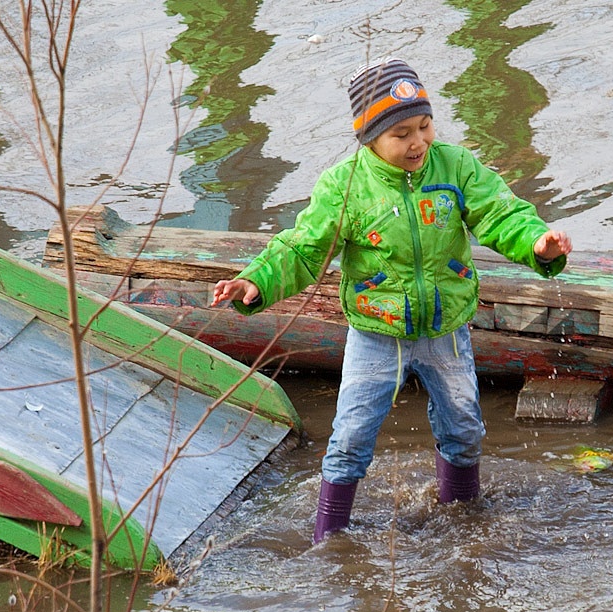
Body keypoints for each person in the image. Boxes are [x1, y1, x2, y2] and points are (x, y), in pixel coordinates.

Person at [212, 58, 572, 543]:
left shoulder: (455, 167)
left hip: (446, 331)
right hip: (375, 333)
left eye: (424, 126)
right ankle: (328, 538)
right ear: (369, 137)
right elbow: (303, 247)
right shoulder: (344, 187)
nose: (418, 142)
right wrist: (256, 281)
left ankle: (461, 517)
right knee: (352, 437)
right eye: (401, 133)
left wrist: (537, 244)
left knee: (464, 429)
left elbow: (501, 214)